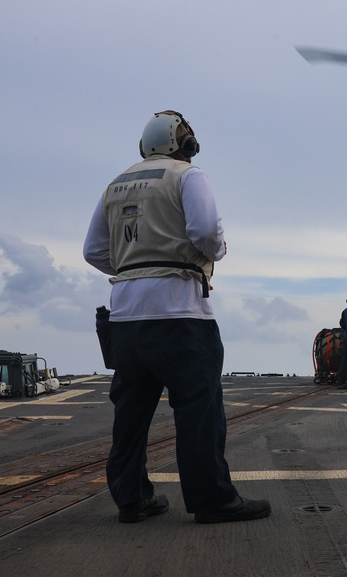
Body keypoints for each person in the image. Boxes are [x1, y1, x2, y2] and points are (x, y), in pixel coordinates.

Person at [83, 110, 271, 524]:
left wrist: (134, 269)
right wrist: (213, 253)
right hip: (180, 313)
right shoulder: (187, 175)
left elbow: (94, 251)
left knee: (130, 415)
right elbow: (206, 232)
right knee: (198, 410)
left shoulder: (115, 185)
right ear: (185, 144)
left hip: (124, 316)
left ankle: (131, 499)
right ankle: (211, 500)